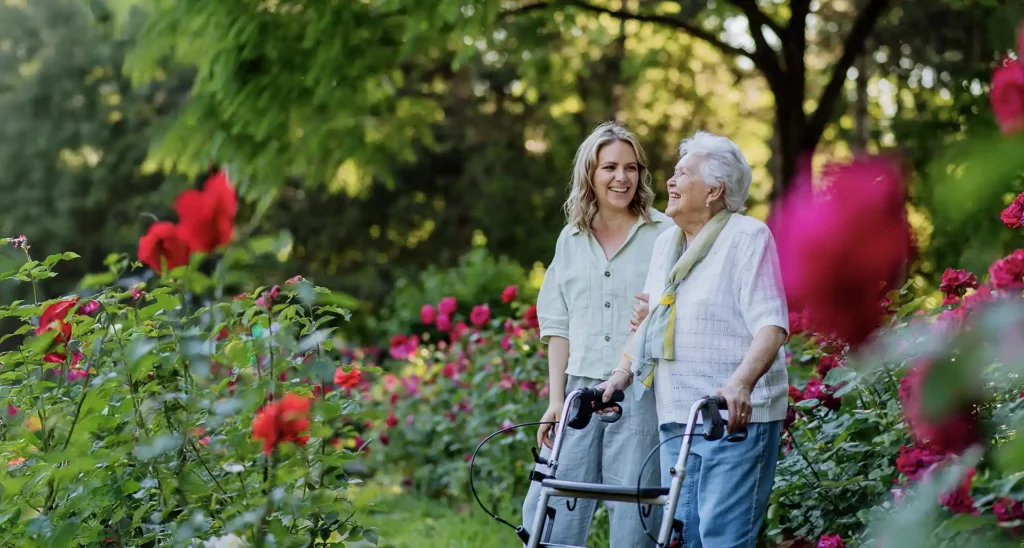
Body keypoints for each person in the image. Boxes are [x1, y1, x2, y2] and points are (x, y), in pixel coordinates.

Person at [599, 130, 790, 548]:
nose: (670, 181)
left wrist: (740, 383)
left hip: (733, 419)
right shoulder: (668, 243)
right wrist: (620, 375)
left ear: (714, 190)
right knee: (682, 539)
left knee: (722, 539)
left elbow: (771, 324)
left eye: (683, 173)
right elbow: (650, 323)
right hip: (678, 417)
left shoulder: (746, 237)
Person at [523, 122, 670, 547]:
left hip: (640, 393)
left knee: (635, 517)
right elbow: (557, 327)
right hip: (580, 393)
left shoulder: (664, 235)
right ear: (590, 173)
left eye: (631, 168)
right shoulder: (570, 240)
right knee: (552, 515)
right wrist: (556, 401)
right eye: (609, 167)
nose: (621, 178)